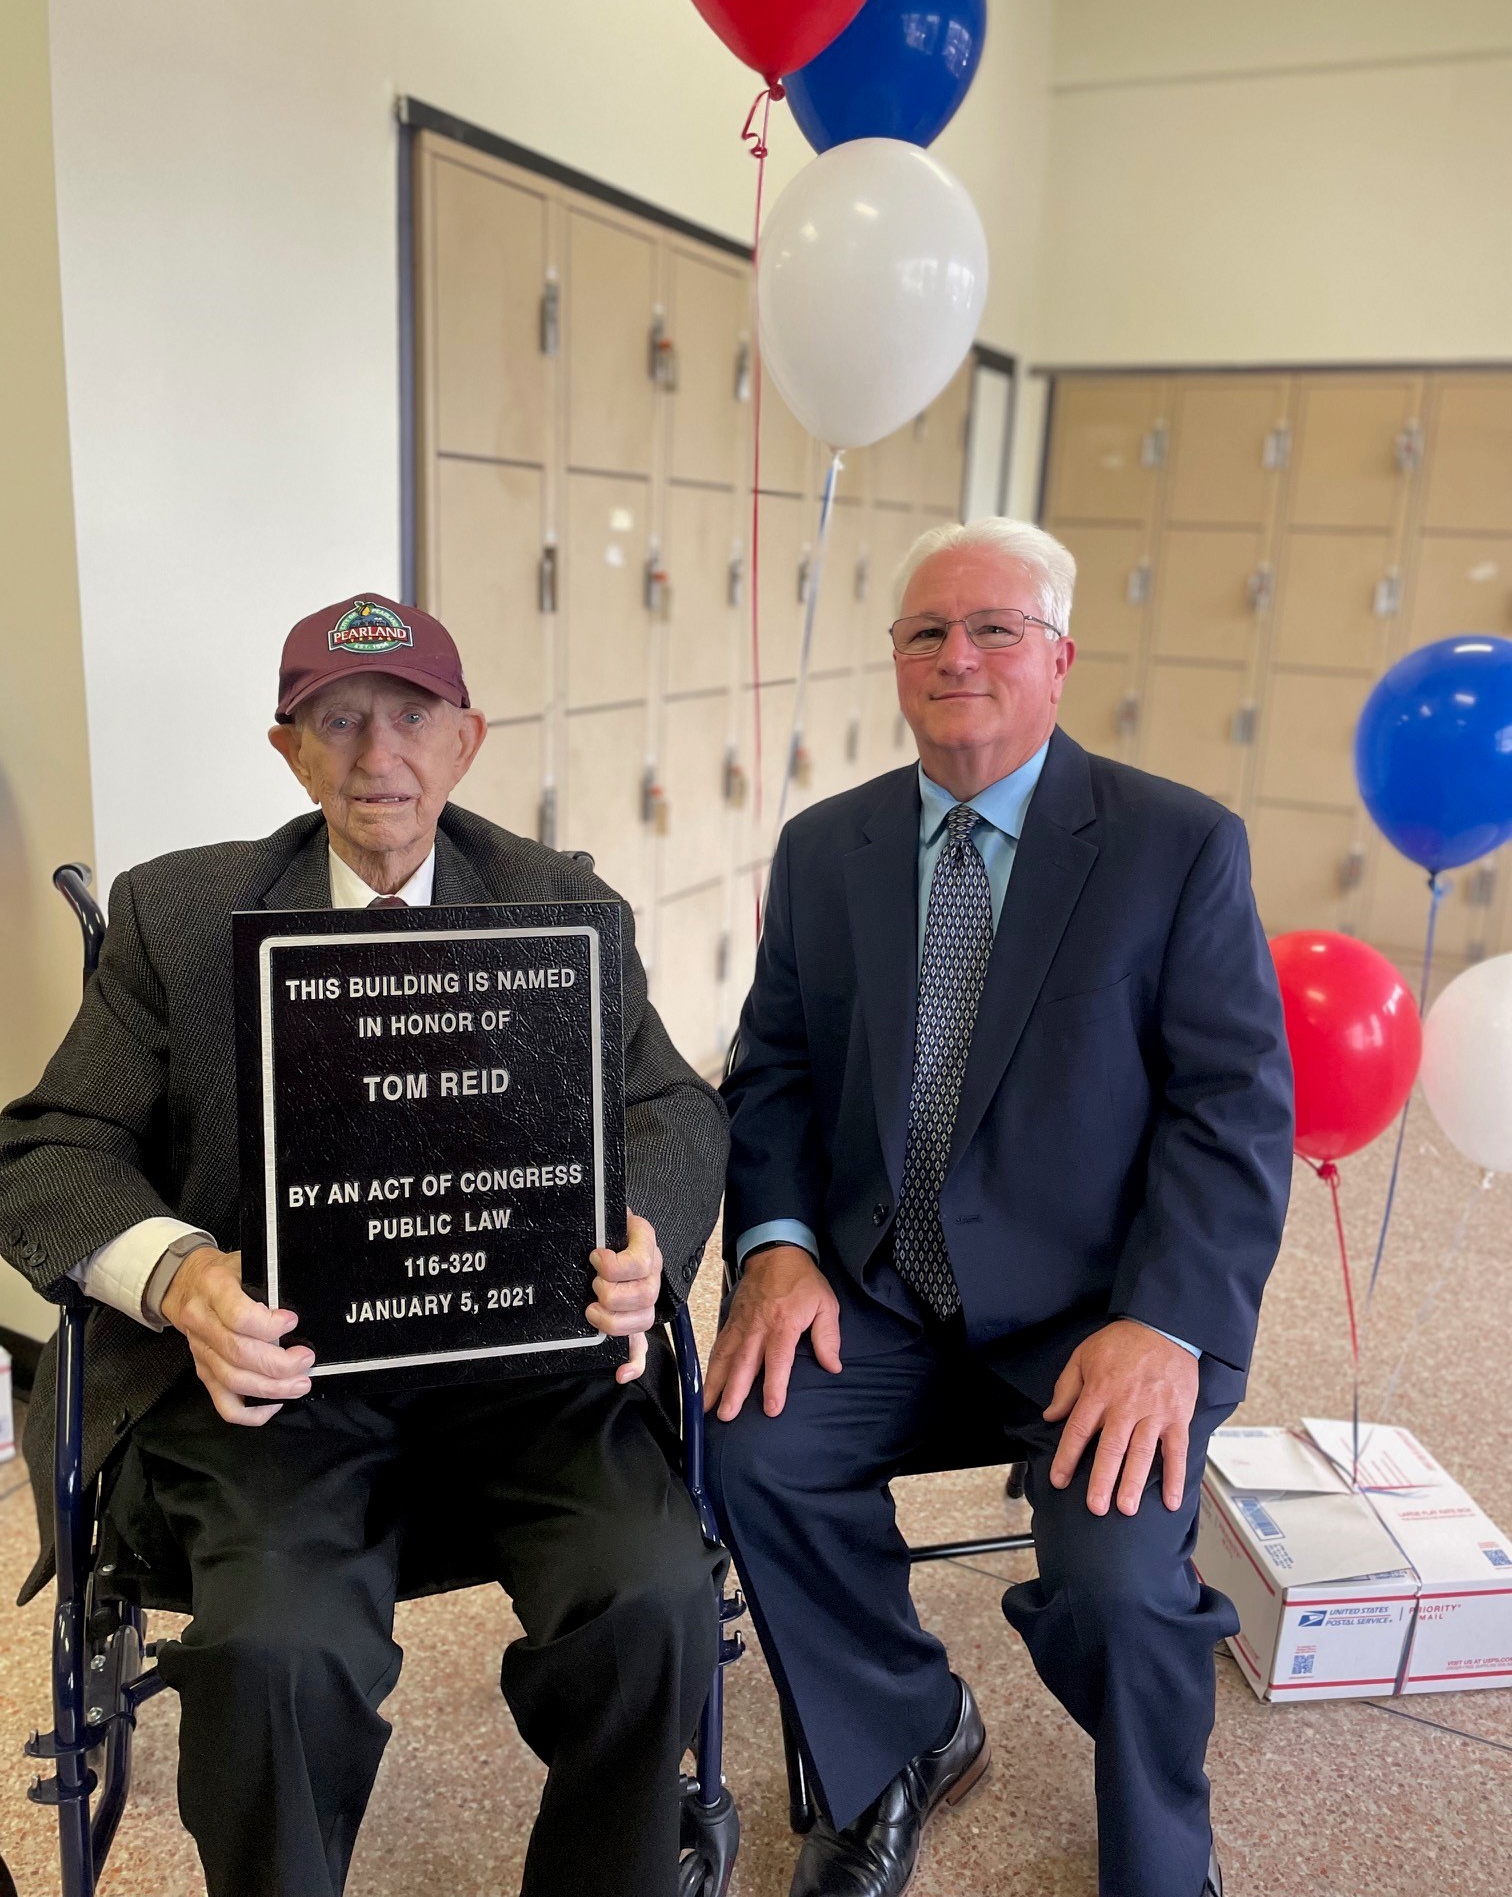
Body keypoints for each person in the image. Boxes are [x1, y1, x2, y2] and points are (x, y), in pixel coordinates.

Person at [0, 591, 730, 1897]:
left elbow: (669, 1102)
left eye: (411, 718)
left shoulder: (562, 901)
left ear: (467, 741)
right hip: (286, 1390)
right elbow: (50, 1147)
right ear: (288, 750)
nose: (375, 755)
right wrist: (178, 1276)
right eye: (337, 719)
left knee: (654, 1598)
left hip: (525, 1372)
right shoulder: (180, 914)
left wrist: (647, 1239)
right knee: (273, 1657)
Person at [704, 520, 1293, 1897]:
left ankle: (1163, 1851)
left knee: (1119, 1583)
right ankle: (905, 1732)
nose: (955, 655)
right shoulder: (825, 847)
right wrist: (779, 1248)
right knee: (751, 1453)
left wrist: (1166, 1322)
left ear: (1061, 658)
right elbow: (772, 1075)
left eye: (993, 629)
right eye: (925, 632)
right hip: (883, 1289)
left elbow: (1233, 1112)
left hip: (1099, 1312)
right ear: (896, 661)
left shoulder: (1175, 846)